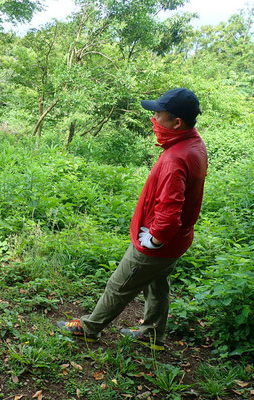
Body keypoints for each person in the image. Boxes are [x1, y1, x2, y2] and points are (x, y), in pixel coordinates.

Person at [58, 88, 208, 351]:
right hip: (178, 240)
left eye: (158, 114)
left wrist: (155, 237)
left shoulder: (176, 158)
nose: (154, 119)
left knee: (119, 285)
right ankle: (152, 335)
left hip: (160, 242)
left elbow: (170, 209)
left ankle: (89, 328)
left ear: (177, 123)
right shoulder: (193, 144)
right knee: (157, 286)